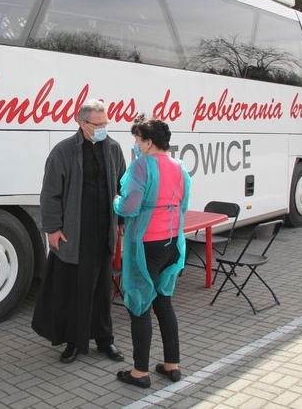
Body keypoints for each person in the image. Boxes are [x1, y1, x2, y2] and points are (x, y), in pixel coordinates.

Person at [32, 99, 127, 364]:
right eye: (99, 124)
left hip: (103, 232)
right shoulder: (63, 152)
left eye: (106, 123)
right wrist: (52, 228)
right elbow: (50, 193)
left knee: (101, 289)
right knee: (75, 290)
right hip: (75, 233)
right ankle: (73, 343)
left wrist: (121, 220)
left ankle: (105, 341)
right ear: (83, 124)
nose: (104, 128)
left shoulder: (113, 149)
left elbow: (122, 186)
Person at [112, 114, 191, 388]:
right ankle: (172, 365)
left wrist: (116, 202)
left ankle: (139, 373)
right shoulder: (179, 167)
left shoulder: (141, 167)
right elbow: (183, 206)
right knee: (163, 302)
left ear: (147, 142)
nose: (134, 143)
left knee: (139, 306)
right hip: (172, 243)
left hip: (146, 245)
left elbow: (130, 206)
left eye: (136, 138)